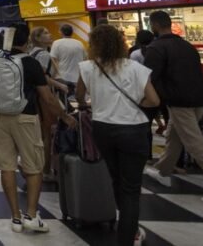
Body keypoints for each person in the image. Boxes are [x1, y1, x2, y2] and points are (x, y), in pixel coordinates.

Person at [0, 22, 76, 234]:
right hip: (25, 117)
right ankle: (31, 215)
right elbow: (47, 97)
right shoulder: (29, 63)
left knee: (7, 167)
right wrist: (64, 116)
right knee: (33, 167)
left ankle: (15, 217)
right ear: (27, 41)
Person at [144, 10, 203, 211]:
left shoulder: (157, 48)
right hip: (198, 100)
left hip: (179, 102)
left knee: (196, 146)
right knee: (173, 136)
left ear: (153, 26)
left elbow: (148, 78)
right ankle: (163, 171)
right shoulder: (187, 46)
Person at [77, 24, 160, 246]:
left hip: (103, 128)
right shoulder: (135, 68)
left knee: (117, 179)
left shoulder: (87, 67)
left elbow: (79, 97)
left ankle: (128, 226)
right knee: (131, 188)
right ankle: (129, 236)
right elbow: (154, 101)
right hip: (133, 129)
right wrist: (136, 103)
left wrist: (94, 102)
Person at [29, 26, 67, 181]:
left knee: (39, 134)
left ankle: (35, 165)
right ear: (38, 38)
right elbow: (43, 77)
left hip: (33, 97)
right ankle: (46, 170)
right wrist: (60, 85)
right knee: (47, 135)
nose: (49, 34)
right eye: (45, 33)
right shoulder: (43, 54)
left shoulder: (32, 53)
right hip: (44, 96)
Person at [51, 24, 86, 88]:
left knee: (65, 97)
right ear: (72, 32)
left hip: (63, 78)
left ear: (61, 32)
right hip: (78, 78)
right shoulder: (79, 43)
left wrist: (55, 74)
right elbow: (85, 59)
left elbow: (53, 60)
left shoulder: (56, 43)